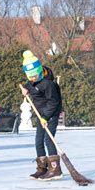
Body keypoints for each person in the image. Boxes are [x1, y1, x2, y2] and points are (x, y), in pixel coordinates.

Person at [20, 50, 63, 181]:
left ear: (39, 70)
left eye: (35, 75)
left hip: (51, 114)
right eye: (30, 77)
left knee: (48, 140)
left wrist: (46, 117)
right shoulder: (32, 81)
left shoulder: (48, 83)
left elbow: (54, 102)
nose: (33, 79)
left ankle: (55, 169)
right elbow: (30, 87)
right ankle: (42, 169)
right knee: (38, 141)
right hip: (41, 115)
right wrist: (26, 90)